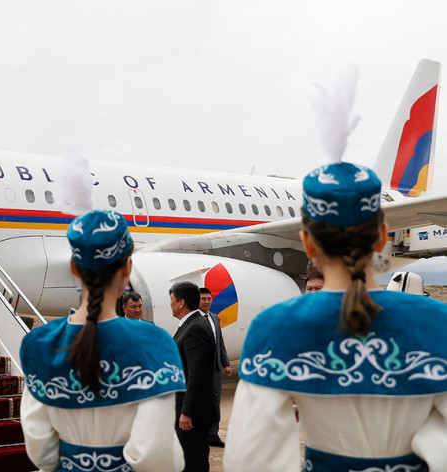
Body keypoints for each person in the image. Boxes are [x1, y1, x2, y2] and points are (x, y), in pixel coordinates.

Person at [224, 162, 447, 471]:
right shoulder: (438, 321)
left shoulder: (275, 327)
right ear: (382, 236)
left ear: (307, 243)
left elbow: (251, 460)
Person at [20, 210, 186, 472]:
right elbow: (156, 456)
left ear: (74, 267)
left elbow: (41, 451)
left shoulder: (40, 344)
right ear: (127, 268)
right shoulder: (155, 343)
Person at [171, 281, 216, 472]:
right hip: (191, 408)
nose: (171, 304)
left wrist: (187, 412)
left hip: (194, 413)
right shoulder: (192, 323)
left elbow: (197, 374)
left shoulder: (195, 328)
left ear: (181, 302)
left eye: (172, 300)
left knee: (193, 462)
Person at [198, 287, 231, 448]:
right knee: (200, 402)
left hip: (215, 368)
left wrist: (226, 364)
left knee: (215, 402)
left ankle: (213, 435)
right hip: (200, 369)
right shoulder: (193, 319)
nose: (206, 302)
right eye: (203, 299)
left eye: (209, 299)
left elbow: (220, 343)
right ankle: (201, 435)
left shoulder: (214, 318)